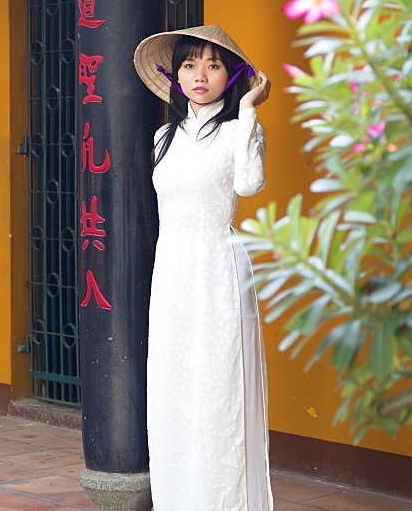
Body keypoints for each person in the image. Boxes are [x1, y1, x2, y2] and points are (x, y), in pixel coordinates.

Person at [133, 25, 272, 510]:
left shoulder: (240, 130)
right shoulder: (163, 136)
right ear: (175, 75)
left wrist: (251, 111)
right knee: (173, 386)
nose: (200, 75)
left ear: (231, 77)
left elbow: (250, 185)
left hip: (217, 267)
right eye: (190, 64)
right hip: (171, 269)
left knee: (218, 387)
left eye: (214, 65)